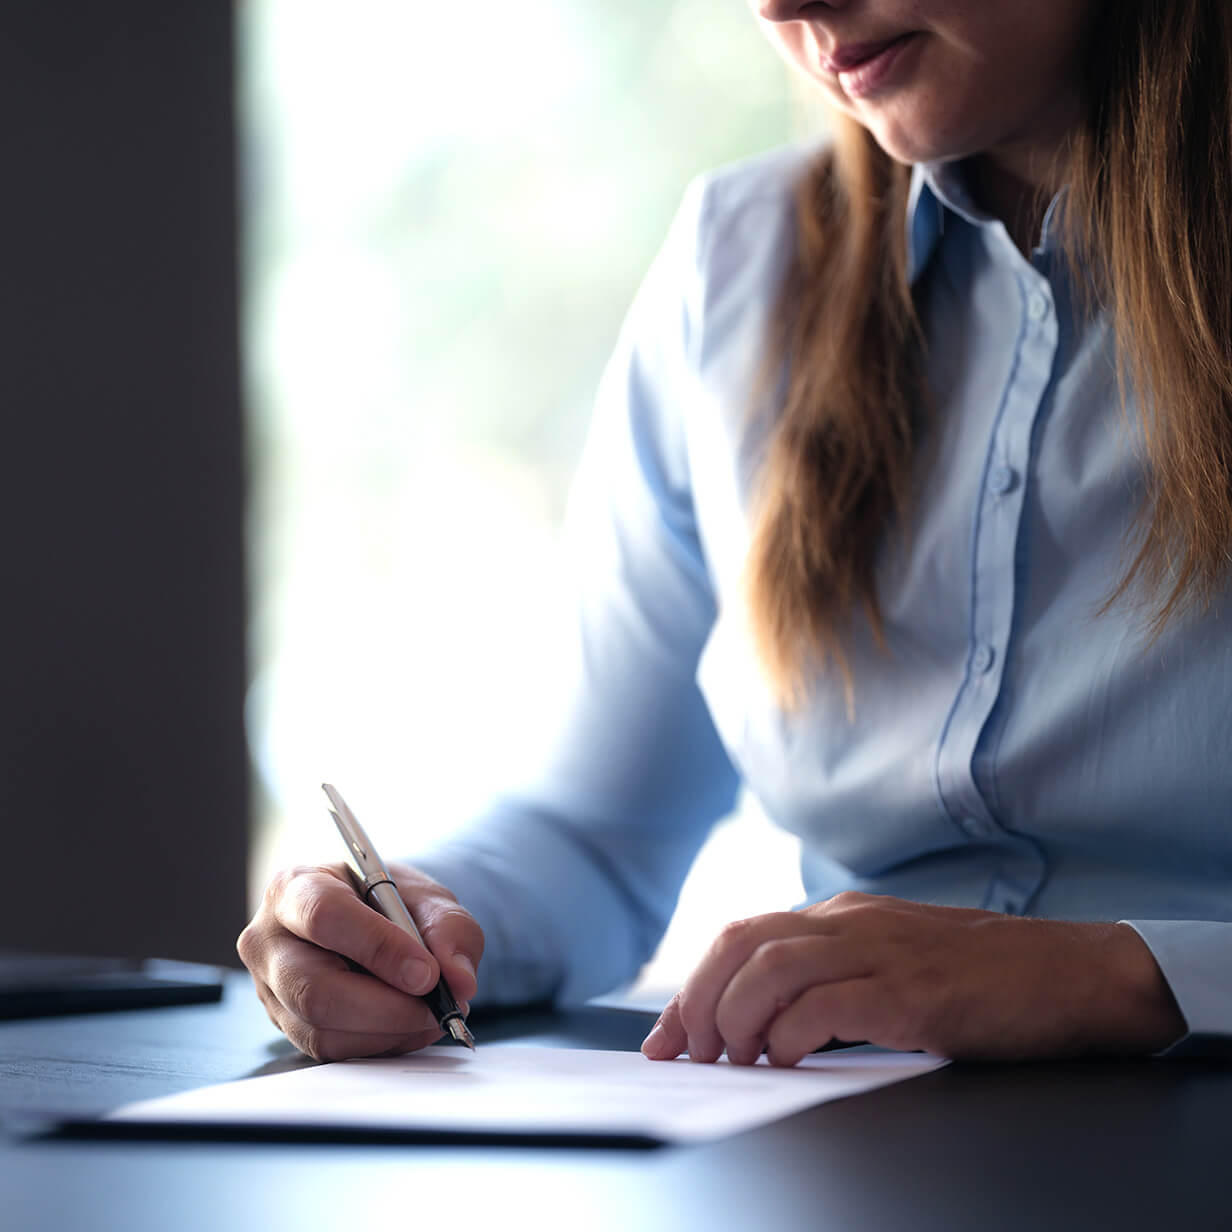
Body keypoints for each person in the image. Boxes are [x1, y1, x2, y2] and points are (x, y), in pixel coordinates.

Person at [238, 0, 1232, 1066]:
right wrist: (401, 926)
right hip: (842, 1152)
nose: (777, 4)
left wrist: (1116, 975)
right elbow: (594, 833)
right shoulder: (738, 264)